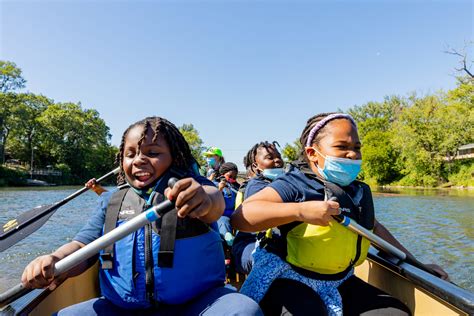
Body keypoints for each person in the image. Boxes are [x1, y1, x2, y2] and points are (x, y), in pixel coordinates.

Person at [21, 116, 262, 316]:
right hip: (121, 309)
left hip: (197, 305)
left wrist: (203, 199)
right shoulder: (111, 200)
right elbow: (82, 245)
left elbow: (214, 204)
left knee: (244, 310)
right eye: (131, 154)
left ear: (175, 157)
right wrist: (54, 259)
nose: (139, 160)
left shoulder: (194, 188)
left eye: (153, 152)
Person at [231, 113, 449, 316]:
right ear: (312, 154)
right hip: (288, 277)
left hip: (340, 280)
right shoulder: (294, 184)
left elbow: (375, 230)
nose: (352, 154)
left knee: (396, 312)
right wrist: (300, 211)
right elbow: (242, 216)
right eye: (341, 147)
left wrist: (418, 265)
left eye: (356, 147)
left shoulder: (356, 191)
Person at [231, 141, 284, 274]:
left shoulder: (285, 181)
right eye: (270, 158)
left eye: (279, 156)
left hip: (273, 241)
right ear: (256, 166)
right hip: (250, 243)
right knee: (270, 263)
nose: (277, 160)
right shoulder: (256, 185)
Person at [215, 162, 240, 246]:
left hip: (235, 215)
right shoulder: (215, 184)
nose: (232, 179)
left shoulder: (237, 187)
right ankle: (227, 239)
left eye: (235, 177)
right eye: (230, 176)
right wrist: (220, 189)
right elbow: (213, 200)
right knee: (224, 222)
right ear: (222, 174)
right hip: (221, 215)